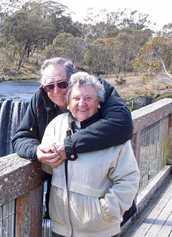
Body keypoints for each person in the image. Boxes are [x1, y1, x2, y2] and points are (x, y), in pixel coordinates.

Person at [11, 57, 135, 223]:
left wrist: (68, 146)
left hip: (106, 214)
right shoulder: (40, 98)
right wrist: (36, 151)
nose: (56, 91)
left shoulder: (95, 89)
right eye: (49, 86)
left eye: (62, 84)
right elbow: (21, 136)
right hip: (64, 212)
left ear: (73, 79)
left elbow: (123, 124)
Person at [41, 72, 140, 237]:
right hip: (60, 229)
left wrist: (107, 211)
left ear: (99, 103)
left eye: (88, 98)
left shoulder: (111, 134)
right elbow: (47, 167)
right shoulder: (55, 126)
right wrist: (41, 154)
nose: (82, 104)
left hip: (100, 230)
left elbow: (129, 179)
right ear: (68, 102)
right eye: (76, 98)